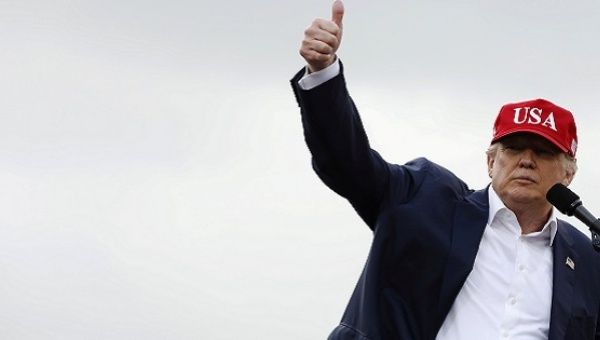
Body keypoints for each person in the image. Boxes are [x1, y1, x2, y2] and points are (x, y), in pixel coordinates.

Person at [290, 1, 600, 339]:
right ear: (490, 161)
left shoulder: (586, 259)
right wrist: (323, 73)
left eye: (542, 152)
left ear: (568, 173)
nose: (526, 160)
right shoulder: (425, 200)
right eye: (513, 148)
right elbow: (347, 163)